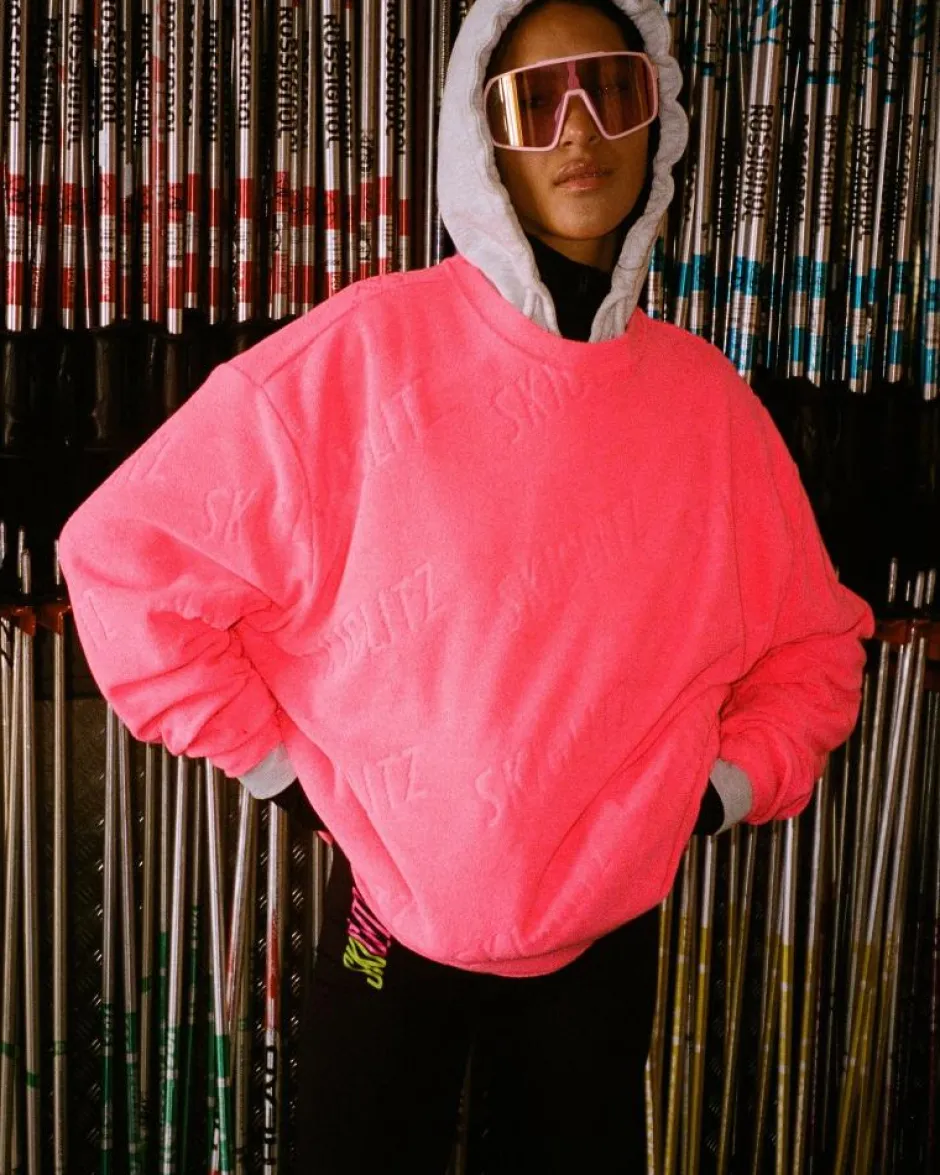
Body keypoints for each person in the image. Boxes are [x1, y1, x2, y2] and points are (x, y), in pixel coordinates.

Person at [56, 0, 875, 1171]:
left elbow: (816, 652)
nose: (578, 131)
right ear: (479, 136)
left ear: (660, 117)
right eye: (534, 102)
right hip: (381, 928)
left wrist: (702, 798)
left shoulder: (707, 408)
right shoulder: (363, 355)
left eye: (610, 89)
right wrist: (291, 776)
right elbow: (121, 558)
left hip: (602, 940)